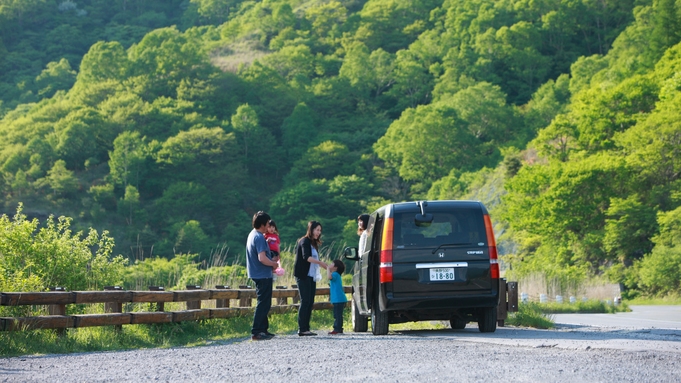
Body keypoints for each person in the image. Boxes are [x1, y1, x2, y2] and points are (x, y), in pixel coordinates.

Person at [246, 211, 280, 341]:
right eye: (267, 223)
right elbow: (262, 258)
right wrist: (273, 264)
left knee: (265, 302)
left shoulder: (252, 234)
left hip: (257, 273)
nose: (268, 225)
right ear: (262, 224)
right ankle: (257, 331)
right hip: (262, 274)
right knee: (263, 303)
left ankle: (263, 329)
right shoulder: (259, 237)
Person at [293, 220, 328, 336]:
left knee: (310, 301)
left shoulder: (314, 243)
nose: (318, 232)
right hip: (303, 275)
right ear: (311, 229)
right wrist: (320, 263)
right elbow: (306, 257)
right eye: (317, 230)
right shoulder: (304, 241)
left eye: (320, 230)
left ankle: (306, 327)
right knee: (305, 300)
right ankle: (302, 328)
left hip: (311, 275)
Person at [327, 259, 347, 335]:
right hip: (338, 299)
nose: (330, 264)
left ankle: (337, 328)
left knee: (337, 315)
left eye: (332, 263)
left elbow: (329, 277)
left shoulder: (335, 274)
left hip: (338, 299)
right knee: (338, 314)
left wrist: (328, 269)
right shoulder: (336, 274)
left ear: (336, 267)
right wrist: (327, 268)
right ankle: (339, 328)